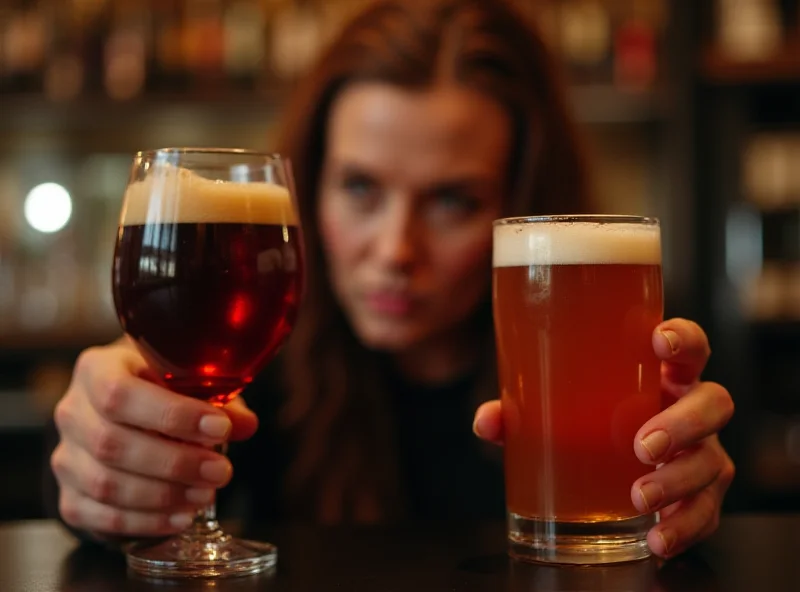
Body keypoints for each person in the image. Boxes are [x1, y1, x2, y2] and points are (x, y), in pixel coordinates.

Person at [46, 0, 734, 560]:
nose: (396, 249)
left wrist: (677, 497)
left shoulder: (635, 364)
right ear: (306, 190)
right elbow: (114, 486)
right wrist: (105, 475)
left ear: (523, 213)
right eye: (360, 187)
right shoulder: (252, 350)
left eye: (452, 201)